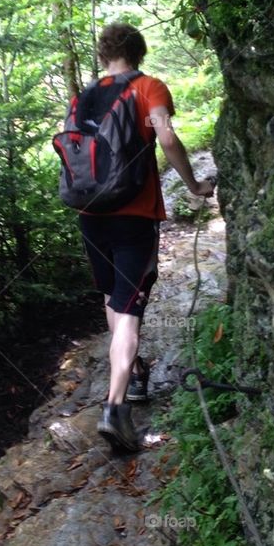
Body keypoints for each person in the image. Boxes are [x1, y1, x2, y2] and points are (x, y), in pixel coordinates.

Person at [76, 22, 216, 452]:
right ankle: (115, 408)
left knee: (112, 298)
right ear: (139, 52)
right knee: (130, 307)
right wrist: (193, 185)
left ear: (103, 53)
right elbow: (167, 136)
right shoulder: (149, 86)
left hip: (90, 212)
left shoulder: (85, 94)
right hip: (134, 214)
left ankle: (134, 377)